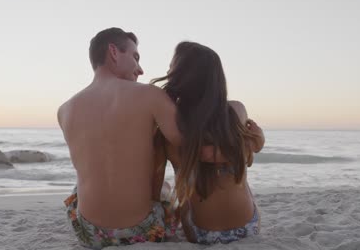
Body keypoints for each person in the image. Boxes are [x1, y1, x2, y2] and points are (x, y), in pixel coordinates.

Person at [57, 28, 181, 249]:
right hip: (142, 232)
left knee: (80, 186)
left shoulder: (64, 110)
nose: (140, 69)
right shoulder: (149, 95)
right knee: (166, 189)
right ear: (113, 52)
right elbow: (185, 143)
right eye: (135, 57)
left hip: (89, 233)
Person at [151, 41, 265, 245]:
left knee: (171, 190)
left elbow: (154, 185)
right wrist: (256, 143)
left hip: (199, 234)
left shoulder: (168, 131)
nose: (168, 70)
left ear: (179, 78)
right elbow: (246, 157)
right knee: (242, 183)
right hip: (247, 229)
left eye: (171, 67)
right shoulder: (237, 111)